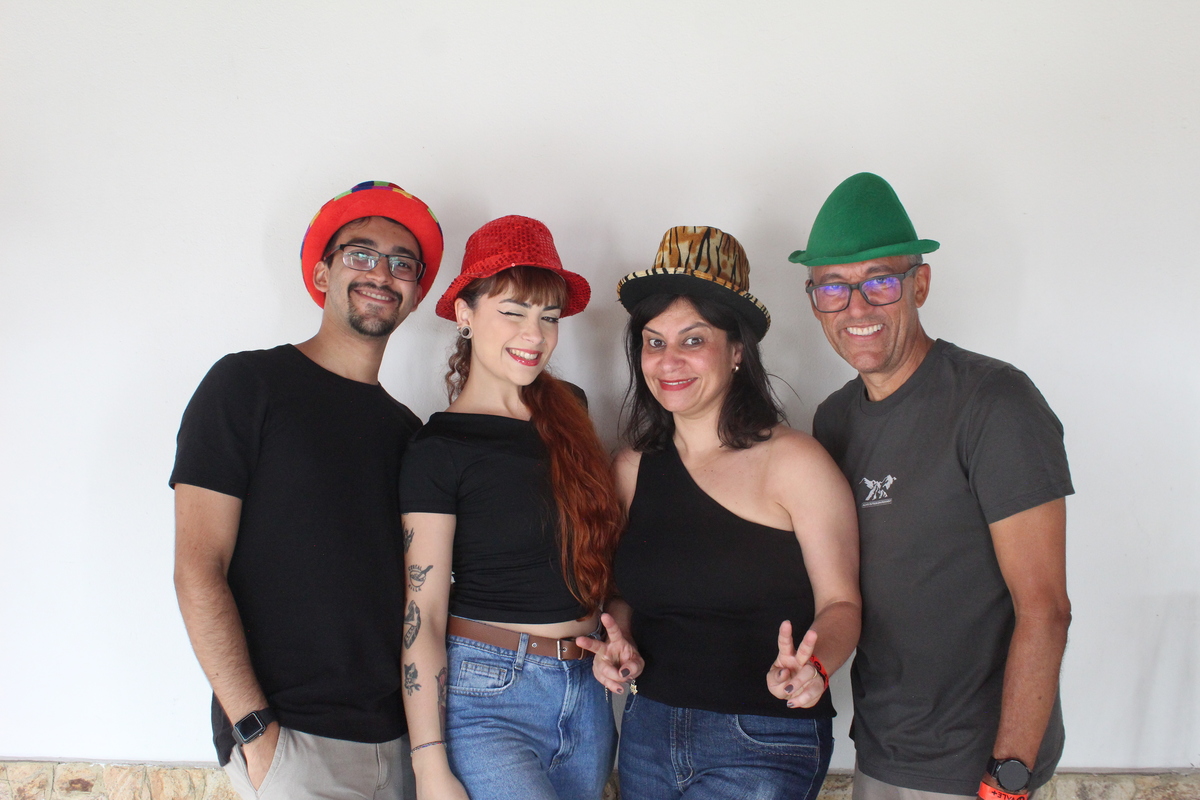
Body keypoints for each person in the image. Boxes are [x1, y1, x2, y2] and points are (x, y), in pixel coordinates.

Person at [790, 173, 1073, 800]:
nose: (856, 308)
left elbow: (1045, 608)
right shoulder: (834, 420)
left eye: (880, 283)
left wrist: (1009, 775)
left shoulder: (994, 403)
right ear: (814, 302)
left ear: (919, 284)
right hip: (881, 752)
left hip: (978, 766)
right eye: (833, 287)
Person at [171, 180, 444, 800]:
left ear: (416, 293)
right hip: (292, 744)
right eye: (361, 253)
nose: (382, 273)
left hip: (401, 748)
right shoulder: (246, 386)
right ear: (322, 273)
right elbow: (197, 568)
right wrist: (254, 731)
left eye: (403, 263)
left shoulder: (411, 434)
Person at [583, 226, 861, 800]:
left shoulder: (795, 462)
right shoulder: (631, 467)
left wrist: (816, 669)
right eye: (654, 342)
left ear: (737, 351)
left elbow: (842, 604)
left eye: (693, 340)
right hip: (647, 730)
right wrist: (620, 638)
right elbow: (623, 593)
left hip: (763, 736)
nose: (668, 361)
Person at [398, 215, 625, 800]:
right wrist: (429, 767)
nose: (535, 334)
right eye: (513, 311)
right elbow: (423, 613)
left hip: (586, 694)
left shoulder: (570, 410)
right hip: (488, 694)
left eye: (549, 317)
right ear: (465, 314)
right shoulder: (439, 448)